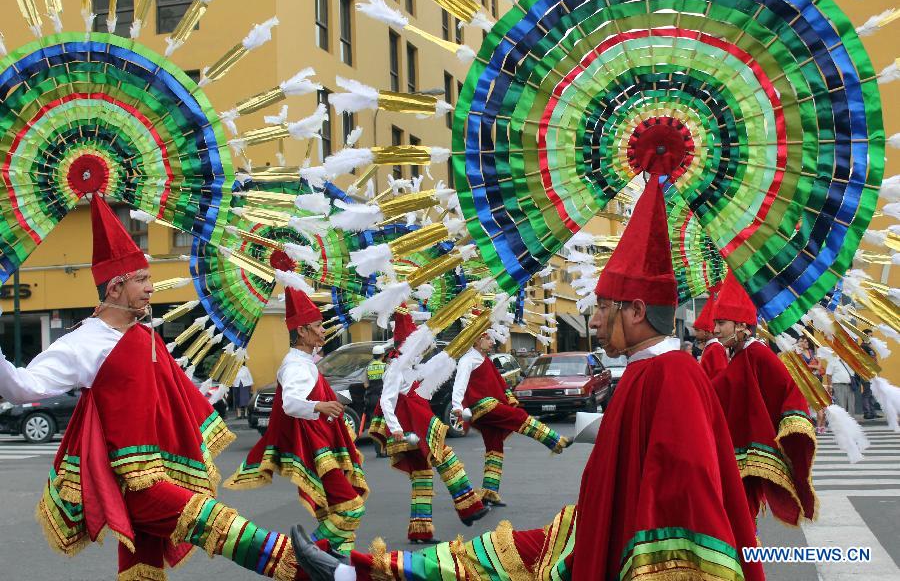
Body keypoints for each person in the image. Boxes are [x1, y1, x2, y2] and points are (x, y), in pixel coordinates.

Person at [288, 177, 764, 581]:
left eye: (602, 307)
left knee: (490, 557)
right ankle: (355, 569)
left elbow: (686, 513)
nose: (593, 321)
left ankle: (354, 570)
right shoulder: (651, 370)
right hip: (593, 532)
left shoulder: (671, 375)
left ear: (637, 310)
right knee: (485, 557)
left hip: (616, 549)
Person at [0, 196, 309, 580]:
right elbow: (20, 388)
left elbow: (167, 394)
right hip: (133, 484)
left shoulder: (145, 334)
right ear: (115, 287)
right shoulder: (84, 343)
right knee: (221, 527)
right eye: (142, 280)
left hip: (164, 471)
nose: (151, 287)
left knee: (141, 570)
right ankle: (312, 568)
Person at [226, 287, 368, 553]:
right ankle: (299, 555)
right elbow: (290, 403)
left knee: (336, 514)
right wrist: (321, 405)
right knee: (350, 511)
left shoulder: (305, 362)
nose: (323, 330)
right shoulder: (295, 365)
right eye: (317, 325)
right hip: (317, 451)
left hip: (324, 445)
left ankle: (335, 567)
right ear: (302, 331)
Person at [369, 310, 490, 543]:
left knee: (422, 476)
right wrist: (395, 429)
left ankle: (420, 530)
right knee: (447, 460)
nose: (422, 352)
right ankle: (469, 507)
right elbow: (386, 399)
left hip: (416, 424)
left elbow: (433, 367)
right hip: (412, 426)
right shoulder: (395, 368)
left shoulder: (409, 367)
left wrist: (457, 345)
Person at [713, 271, 818, 526]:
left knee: (741, 518)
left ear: (741, 325)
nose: (715, 330)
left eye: (721, 323)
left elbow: (788, 390)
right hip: (735, 449)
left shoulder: (758, 354)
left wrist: (790, 424)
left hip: (748, 451)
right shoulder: (739, 354)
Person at [451, 330, 571, 506]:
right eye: (488, 339)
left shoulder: (483, 358)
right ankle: (555, 440)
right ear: (476, 340)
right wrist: (456, 406)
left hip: (487, 407)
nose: (492, 342)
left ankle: (490, 492)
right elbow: (459, 383)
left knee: (495, 447)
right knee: (519, 416)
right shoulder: (468, 360)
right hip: (484, 406)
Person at [694, 292, 729, 378]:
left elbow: (720, 375)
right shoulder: (710, 347)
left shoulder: (715, 348)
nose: (695, 334)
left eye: (697, 330)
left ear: (706, 332)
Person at [795, 336, 826, 433]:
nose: (806, 343)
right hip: (804, 382)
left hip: (815, 381)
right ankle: (806, 426)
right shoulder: (797, 354)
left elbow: (819, 366)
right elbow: (799, 366)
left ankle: (819, 427)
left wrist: (809, 366)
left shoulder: (811, 352)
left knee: (819, 405)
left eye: (806, 341)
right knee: (806, 404)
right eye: (803, 341)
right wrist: (813, 366)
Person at [364, 343, 388, 457]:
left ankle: (378, 451)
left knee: (375, 425)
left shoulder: (368, 367)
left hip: (371, 398)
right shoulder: (385, 367)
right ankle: (385, 450)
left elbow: (365, 384)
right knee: (384, 424)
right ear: (382, 355)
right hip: (382, 398)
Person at [824, 351, 855, 418]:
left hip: (850, 386)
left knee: (851, 407)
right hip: (838, 386)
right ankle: (842, 423)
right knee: (841, 406)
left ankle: (851, 424)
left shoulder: (849, 361)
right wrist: (830, 387)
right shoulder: (833, 361)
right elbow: (829, 375)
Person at [859, 330, 879, 419]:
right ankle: (867, 413)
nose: (872, 337)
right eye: (870, 335)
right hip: (866, 373)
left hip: (873, 373)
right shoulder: (863, 347)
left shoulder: (869, 347)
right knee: (867, 393)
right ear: (865, 336)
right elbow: (863, 361)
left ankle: (873, 412)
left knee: (872, 392)